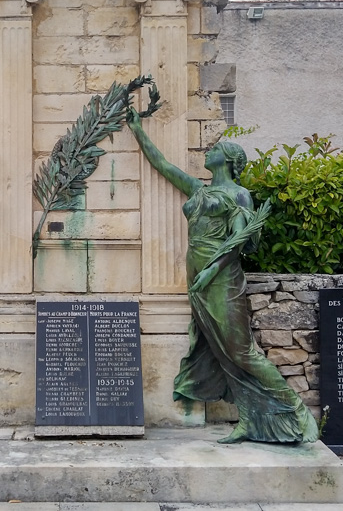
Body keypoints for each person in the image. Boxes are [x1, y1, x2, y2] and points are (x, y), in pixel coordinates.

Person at [127, 109, 318, 444]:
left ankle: (296, 411)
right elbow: (162, 165)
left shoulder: (239, 194)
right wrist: (137, 129)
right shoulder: (196, 189)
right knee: (221, 350)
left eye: (215, 150)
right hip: (196, 274)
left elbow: (239, 241)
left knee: (241, 350)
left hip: (222, 276)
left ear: (228, 160)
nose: (207, 152)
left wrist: (212, 270)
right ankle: (248, 420)